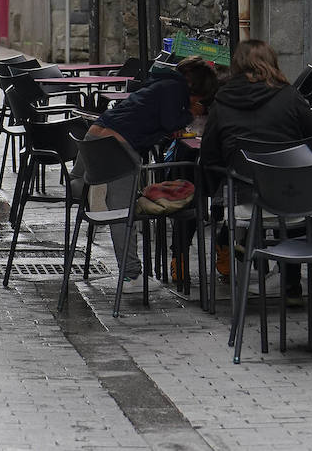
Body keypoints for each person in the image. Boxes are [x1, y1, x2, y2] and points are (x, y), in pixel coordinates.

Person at [70, 56, 220, 291]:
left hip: (95, 137)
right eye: (200, 99)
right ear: (196, 89)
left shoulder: (159, 84)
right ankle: (131, 275)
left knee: (117, 209)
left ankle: (130, 272)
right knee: (122, 213)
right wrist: (192, 113)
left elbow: (155, 119)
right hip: (115, 147)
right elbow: (170, 121)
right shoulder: (175, 89)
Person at [199, 40, 312, 174]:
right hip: (288, 185)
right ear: (272, 62)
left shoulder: (222, 100)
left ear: (236, 65)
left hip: (239, 185)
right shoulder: (290, 97)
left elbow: (208, 155)